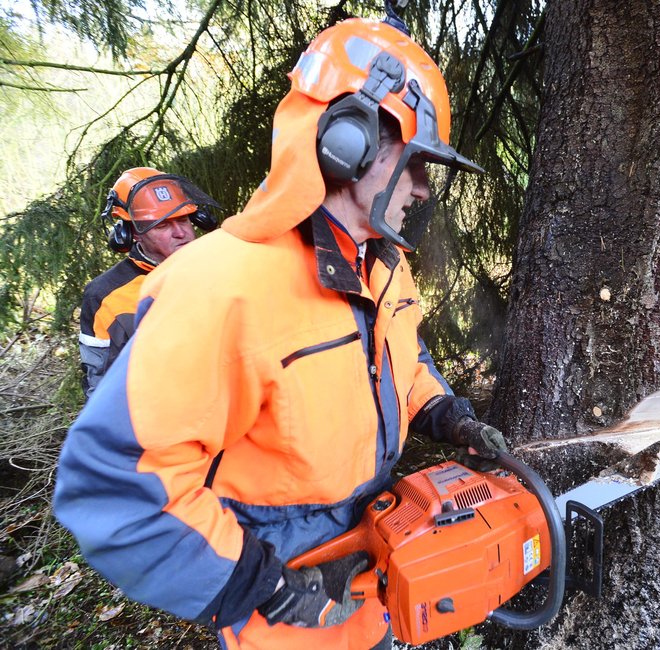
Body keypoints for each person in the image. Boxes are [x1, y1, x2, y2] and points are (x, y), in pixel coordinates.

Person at [54, 16, 507, 650]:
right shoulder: (222, 286)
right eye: (417, 163)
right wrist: (257, 583)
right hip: (286, 599)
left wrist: (445, 412)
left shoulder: (383, 263)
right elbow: (115, 488)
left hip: (375, 560)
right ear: (347, 141)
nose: (425, 187)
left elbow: (401, 355)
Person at [78, 167, 219, 398]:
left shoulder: (221, 267)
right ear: (130, 233)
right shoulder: (106, 296)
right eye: (162, 225)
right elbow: (101, 389)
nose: (180, 233)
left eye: (183, 220)